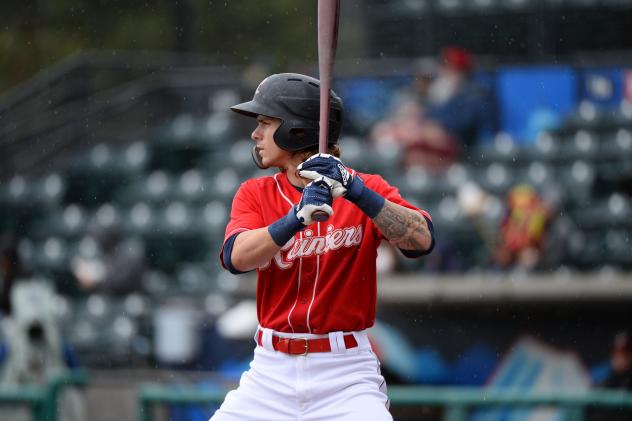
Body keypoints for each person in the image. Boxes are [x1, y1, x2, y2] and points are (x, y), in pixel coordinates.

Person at [212, 73, 435, 421]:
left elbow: (421, 241)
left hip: (345, 373)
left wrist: (357, 192)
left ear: (297, 130)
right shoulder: (255, 194)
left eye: (266, 123)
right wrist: (295, 219)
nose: (256, 134)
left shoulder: (365, 189)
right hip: (270, 373)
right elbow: (235, 257)